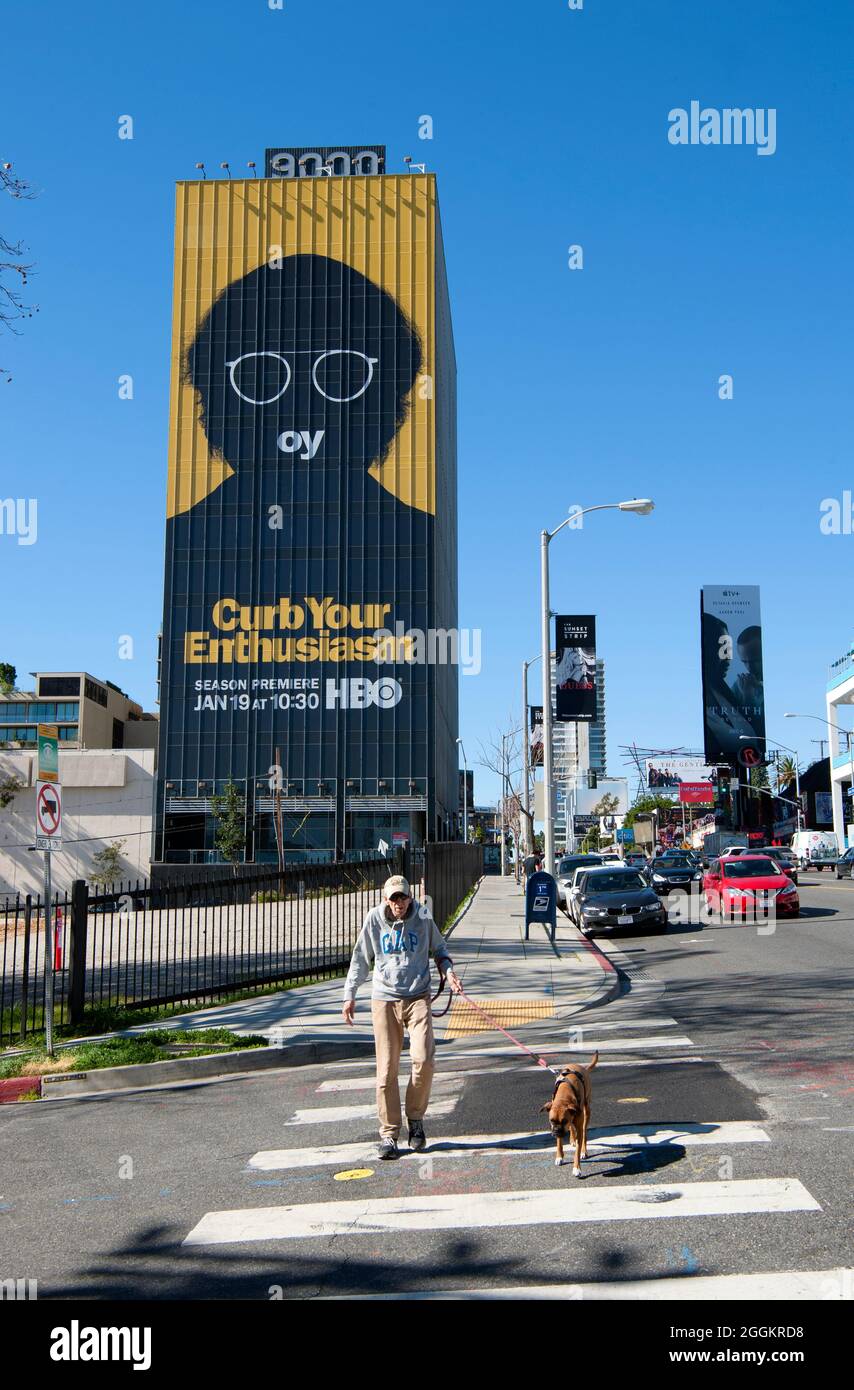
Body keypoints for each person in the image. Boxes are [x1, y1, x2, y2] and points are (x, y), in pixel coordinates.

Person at [342, 874, 463, 1160]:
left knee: (424, 1060)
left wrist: (449, 972)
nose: (399, 903)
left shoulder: (422, 916)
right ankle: (389, 1134)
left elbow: (440, 949)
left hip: (418, 996)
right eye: (394, 898)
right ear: (386, 899)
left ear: (410, 897)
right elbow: (361, 958)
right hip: (384, 999)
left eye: (403, 897)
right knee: (386, 1071)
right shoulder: (374, 919)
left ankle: (416, 1120)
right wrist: (350, 994)